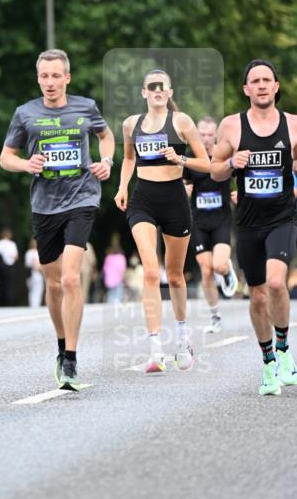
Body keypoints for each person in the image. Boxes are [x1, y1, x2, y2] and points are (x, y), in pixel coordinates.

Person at [0, 48, 115, 390]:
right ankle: (62, 345)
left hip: (82, 198)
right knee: (52, 284)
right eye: (44, 76)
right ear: (39, 78)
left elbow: (106, 136)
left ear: (67, 77)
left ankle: (72, 360)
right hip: (44, 204)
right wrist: (26, 165)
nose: (50, 82)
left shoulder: (86, 107)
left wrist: (106, 161)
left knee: (69, 279)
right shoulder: (25, 114)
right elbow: (7, 157)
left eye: (56, 76)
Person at [115, 68, 210, 374]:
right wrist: (121, 187)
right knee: (151, 272)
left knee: (176, 275)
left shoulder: (181, 122)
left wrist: (180, 159)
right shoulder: (131, 124)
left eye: (162, 87)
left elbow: (205, 164)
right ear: (143, 93)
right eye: (151, 86)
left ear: (169, 93)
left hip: (174, 199)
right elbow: (129, 159)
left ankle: (182, 339)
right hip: (143, 198)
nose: (157, 90)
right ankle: (155, 349)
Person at [211, 59, 297, 395]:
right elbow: (215, 170)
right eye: (254, 81)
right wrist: (233, 163)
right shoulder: (231, 127)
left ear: (276, 86)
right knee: (258, 294)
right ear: (246, 89)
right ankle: (267, 364)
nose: (261, 85)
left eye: (267, 80)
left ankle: (284, 348)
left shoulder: (292, 125)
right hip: (247, 223)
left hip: (283, 218)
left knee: (277, 283)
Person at [183, 116, 238, 333]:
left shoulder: (223, 156)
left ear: (216, 135)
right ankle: (215, 316)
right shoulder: (191, 158)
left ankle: (226, 272)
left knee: (219, 265)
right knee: (206, 270)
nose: (205, 138)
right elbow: (181, 181)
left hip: (222, 221)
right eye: (201, 134)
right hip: (199, 223)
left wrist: (240, 193)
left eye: (208, 134)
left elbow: (239, 175)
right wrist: (183, 189)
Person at [0, 227, 19, 306]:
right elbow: (15, 257)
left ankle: (0, 302)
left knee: (1, 284)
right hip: (10, 267)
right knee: (9, 285)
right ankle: (8, 302)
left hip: (0, 267)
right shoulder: (12, 244)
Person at [102, 236, 127, 303]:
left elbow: (104, 269)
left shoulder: (108, 257)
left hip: (109, 279)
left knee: (110, 295)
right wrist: (124, 279)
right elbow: (122, 269)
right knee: (118, 296)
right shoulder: (121, 257)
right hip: (118, 279)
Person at [24, 238, 45, 308]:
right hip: (37, 274)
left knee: (31, 291)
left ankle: (32, 305)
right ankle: (36, 306)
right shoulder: (38, 253)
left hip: (29, 275)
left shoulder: (28, 253)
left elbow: (27, 264)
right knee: (38, 290)